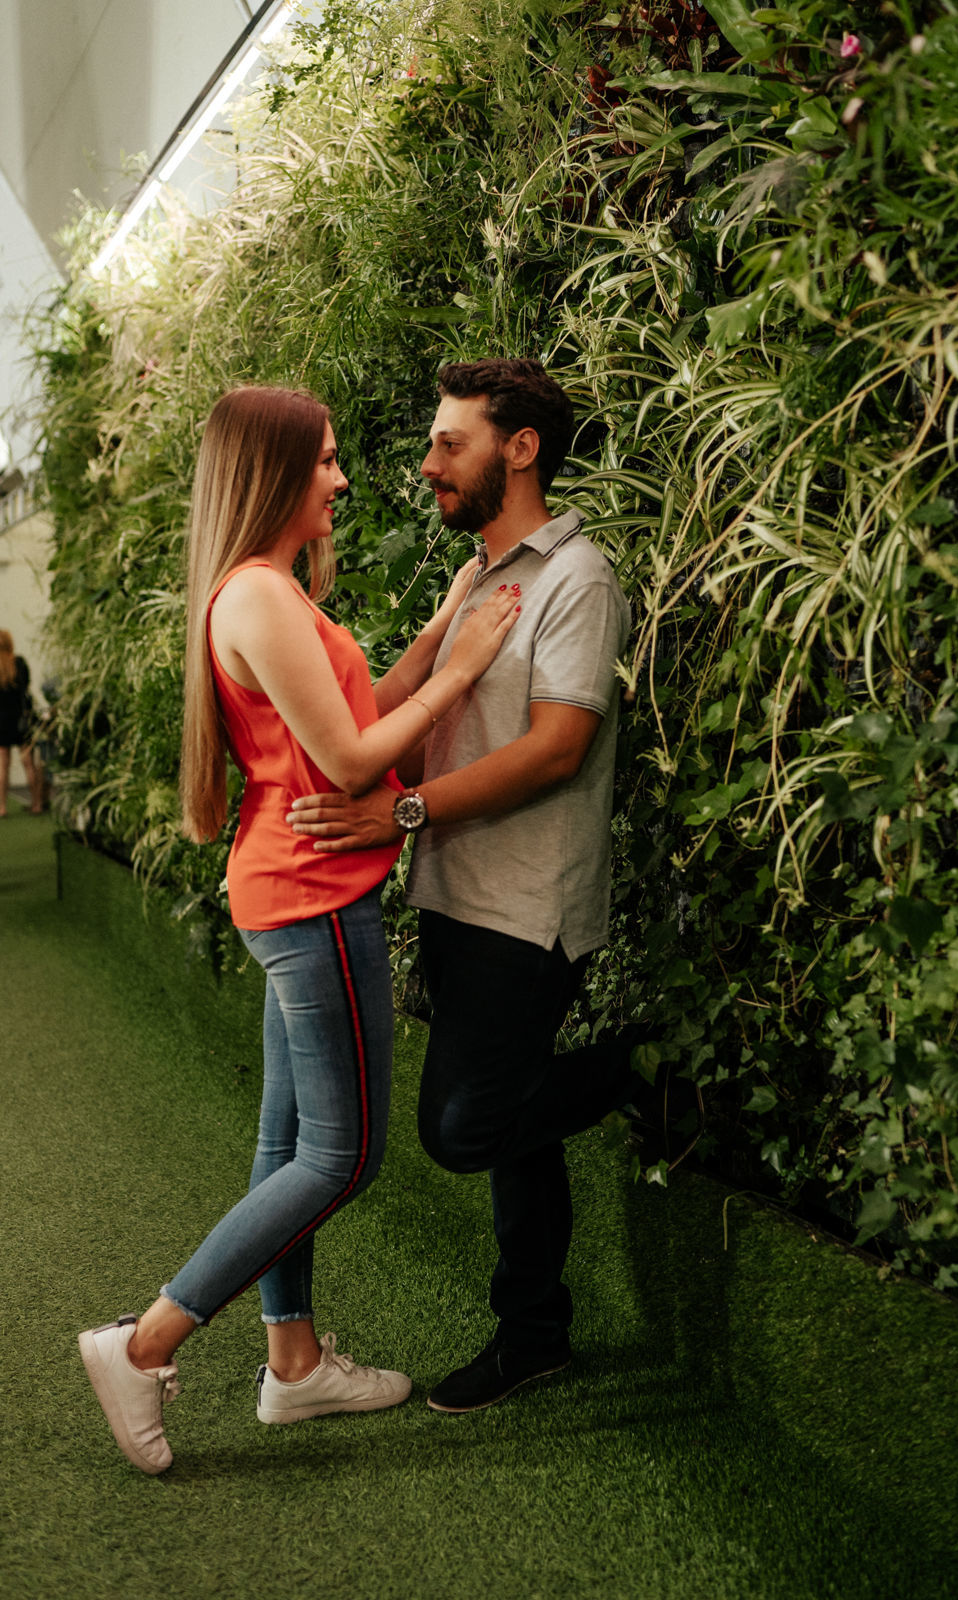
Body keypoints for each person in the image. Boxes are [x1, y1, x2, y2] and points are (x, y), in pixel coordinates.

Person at [78, 385, 520, 1474]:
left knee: (286, 1146)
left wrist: (441, 630)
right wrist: (465, 667)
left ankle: (294, 1364)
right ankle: (144, 1343)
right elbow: (358, 761)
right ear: (272, 472)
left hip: (290, 888)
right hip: (312, 895)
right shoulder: (259, 598)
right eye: (322, 460)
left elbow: (353, 714)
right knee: (343, 1153)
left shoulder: (265, 592)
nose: (341, 477)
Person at [288, 358, 637, 1413]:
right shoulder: (480, 576)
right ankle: (533, 1332)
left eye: (451, 443)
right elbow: (403, 711)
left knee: (463, 1130)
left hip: (527, 907)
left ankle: (649, 1073)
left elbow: (556, 750)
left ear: (518, 449)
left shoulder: (577, 579)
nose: (428, 463)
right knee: (515, 1131)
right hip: (455, 895)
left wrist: (399, 815)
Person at [0, 630, 45, 816]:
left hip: (1, 720)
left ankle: (2, 807)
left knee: (3, 765)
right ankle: (36, 804)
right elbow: (26, 687)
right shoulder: (19, 663)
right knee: (28, 763)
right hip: (21, 719)